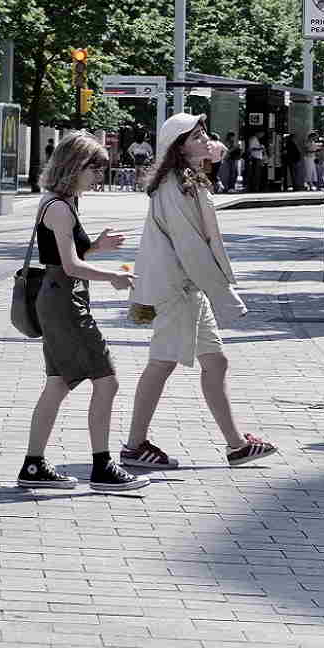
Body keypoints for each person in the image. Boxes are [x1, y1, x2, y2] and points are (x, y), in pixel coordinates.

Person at [122, 113, 276, 470]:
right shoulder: (176, 186)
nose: (206, 138)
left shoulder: (186, 177)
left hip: (188, 287)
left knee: (215, 361)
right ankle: (134, 445)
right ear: (179, 148)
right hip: (177, 286)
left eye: (204, 131)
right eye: (196, 135)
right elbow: (191, 247)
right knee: (162, 363)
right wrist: (225, 294)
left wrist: (210, 152)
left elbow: (216, 154)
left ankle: (236, 445)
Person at [16, 132, 148, 492]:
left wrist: (97, 246)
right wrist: (113, 277)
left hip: (59, 298)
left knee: (58, 384)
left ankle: (33, 465)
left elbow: (67, 257)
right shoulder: (58, 208)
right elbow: (70, 266)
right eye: (95, 167)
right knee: (107, 379)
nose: (99, 175)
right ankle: (103, 466)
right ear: (74, 165)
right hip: (64, 301)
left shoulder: (63, 202)